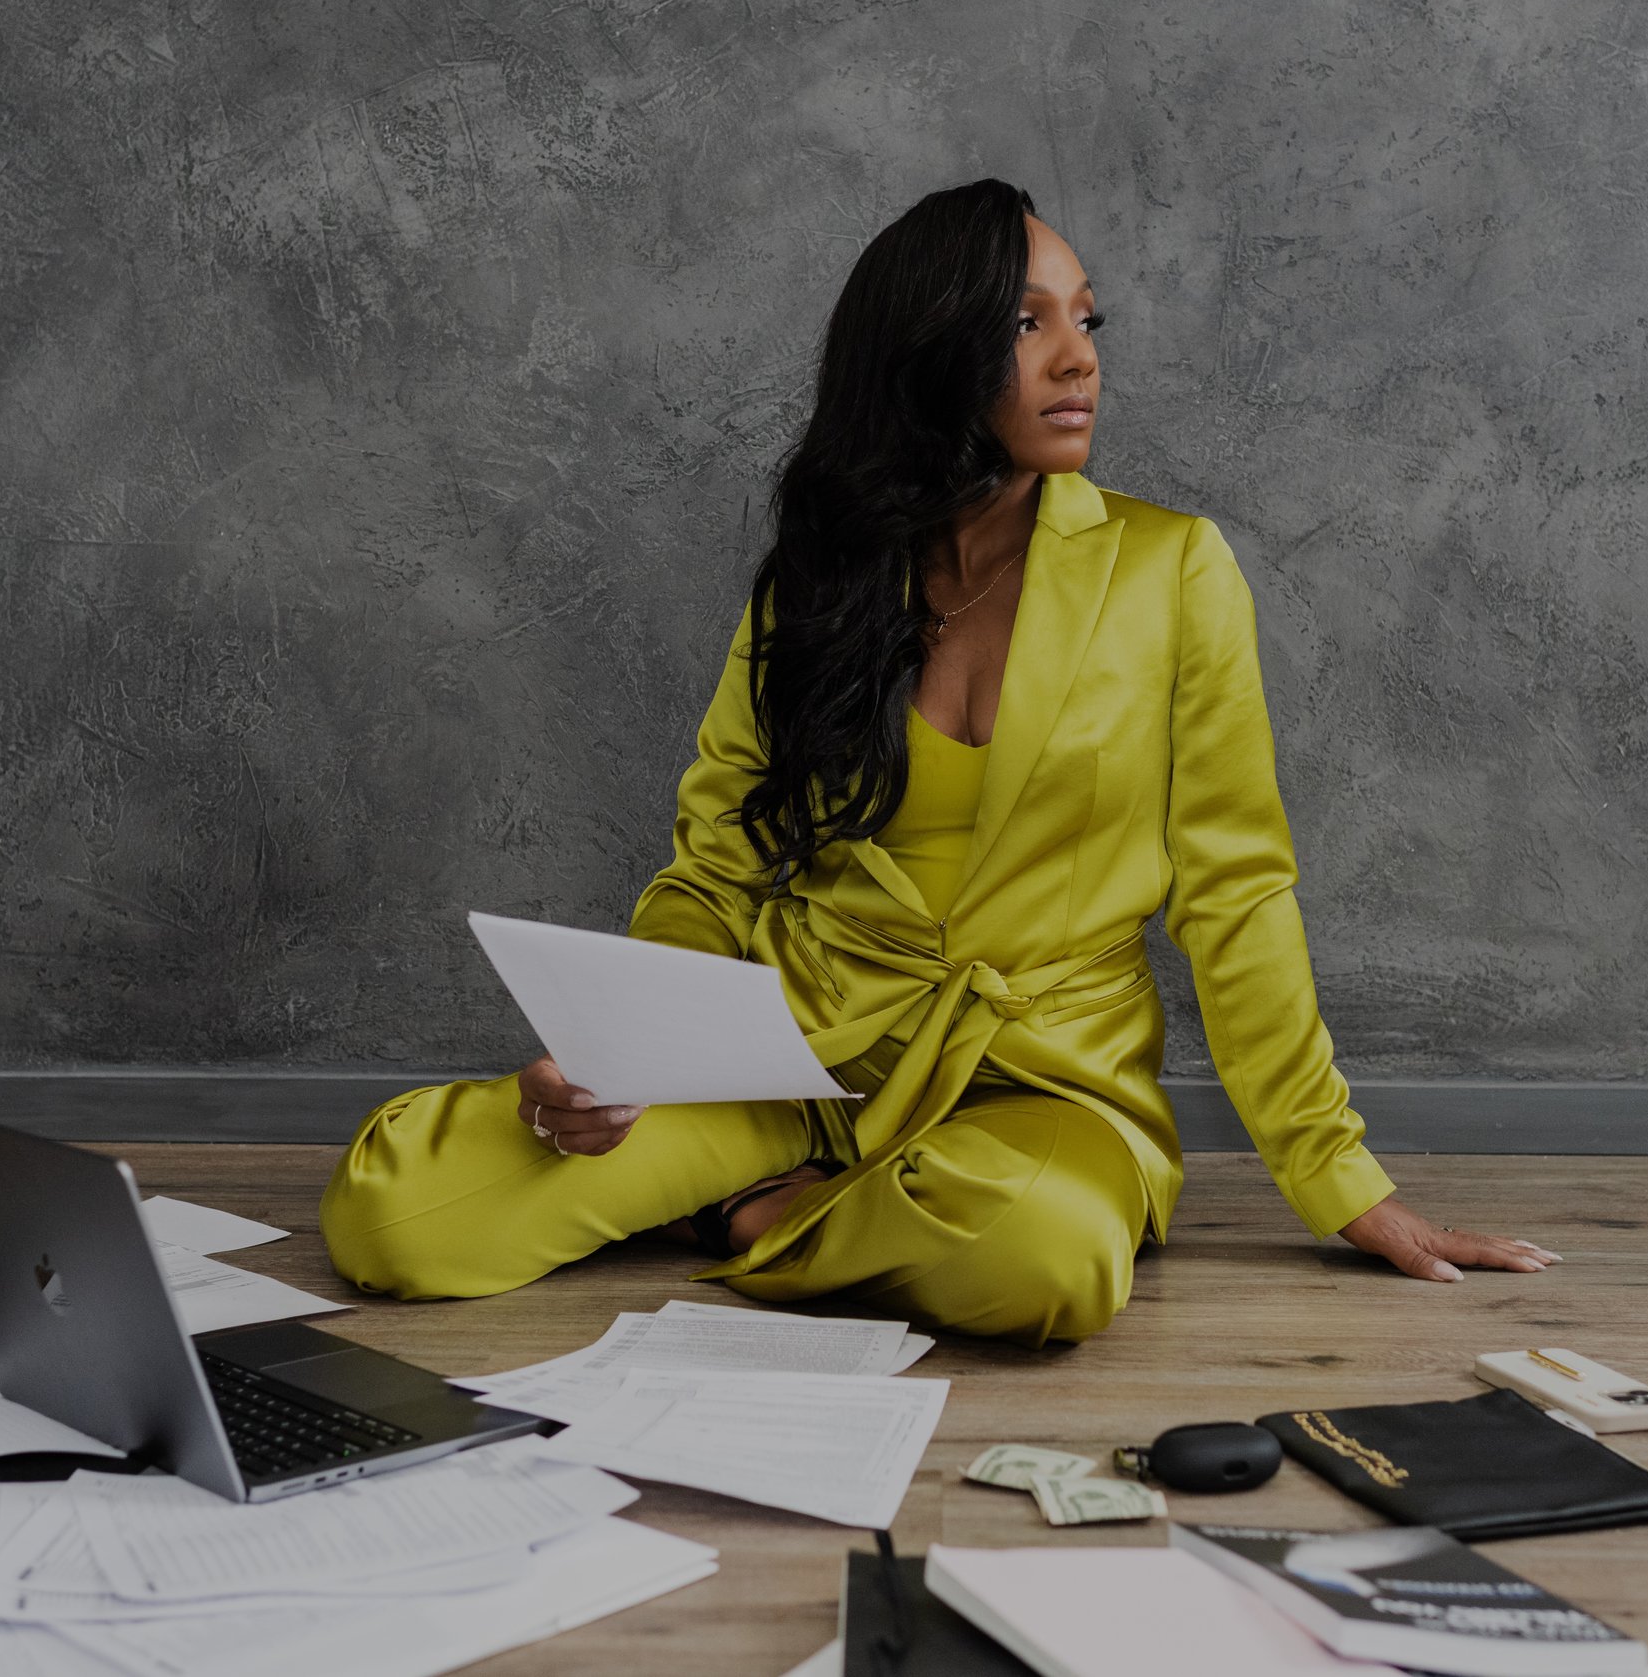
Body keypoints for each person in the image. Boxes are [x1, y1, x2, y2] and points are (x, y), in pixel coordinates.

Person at [320, 178, 1561, 1345]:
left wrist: (1339, 1179)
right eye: (1026, 323)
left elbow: (1235, 893)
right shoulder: (819, 579)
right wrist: (632, 1053)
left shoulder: (1171, 569)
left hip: (1040, 1088)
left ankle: (762, 1217)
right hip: (790, 1057)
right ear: (926, 354)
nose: (1079, 357)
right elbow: (717, 865)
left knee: (1045, 1253)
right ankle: (811, 1196)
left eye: (1085, 318)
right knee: (394, 1216)